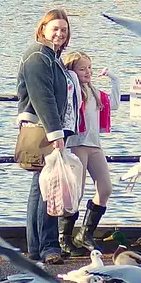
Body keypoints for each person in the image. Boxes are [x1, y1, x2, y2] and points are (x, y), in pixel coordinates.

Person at [16, 8, 73, 264]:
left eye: (63, 29)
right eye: (55, 29)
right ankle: (47, 247)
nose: (59, 33)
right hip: (43, 130)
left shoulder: (52, 57)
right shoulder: (38, 56)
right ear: (43, 30)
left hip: (47, 129)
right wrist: (55, 134)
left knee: (40, 188)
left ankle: (37, 248)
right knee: (47, 186)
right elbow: (43, 98)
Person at [60, 50, 117, 253]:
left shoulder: (95, 93)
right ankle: (64, 239)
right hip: (77, 144)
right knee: (76, 191)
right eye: (82, 69)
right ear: (72, 72)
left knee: (105, 189)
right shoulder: (72, 92)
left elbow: (114, 104)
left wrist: (114, 80)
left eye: (89, 68)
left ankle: (85, 233)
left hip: (94, 145)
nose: (88, 72)